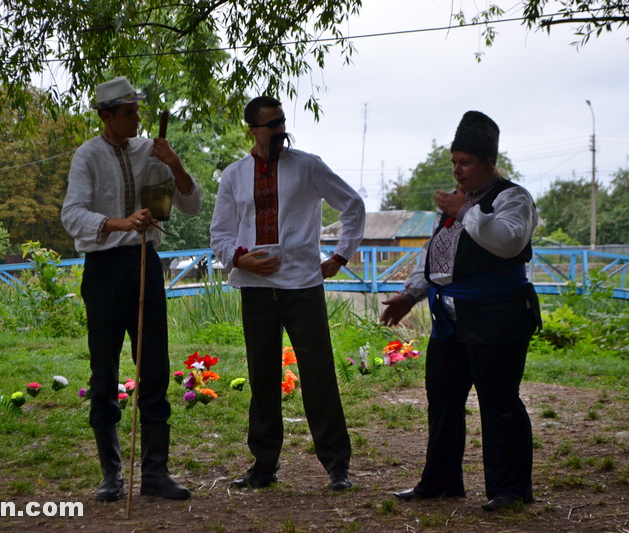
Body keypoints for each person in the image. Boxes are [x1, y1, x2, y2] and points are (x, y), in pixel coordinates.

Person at [381, 111, 541, 512]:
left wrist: (467, 211)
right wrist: (410, 295)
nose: (458, 170)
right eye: (454, 162)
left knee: (499, 402)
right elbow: (437, 256)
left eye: (465, 162)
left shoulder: (512, 197)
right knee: (444, 399)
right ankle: (440, 482)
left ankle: (511, 489)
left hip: (499, 316)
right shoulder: (454, 204)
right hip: (450, 320)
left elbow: (507, 241)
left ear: (488, 162)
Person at [210, 96, 366, 491]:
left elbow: (353, 204)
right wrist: (240, 260)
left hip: (302, 285)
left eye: (282, 121)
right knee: (262, 378)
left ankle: (336, 465)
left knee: (318, 375)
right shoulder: (233, 175)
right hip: (256, 291)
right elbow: (220, 233)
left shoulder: (307, 166)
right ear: (253, 130)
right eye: (271, 124)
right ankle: (263, 467)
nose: (280, 129)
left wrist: (340, 256)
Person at [61, 76, 201, 502]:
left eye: (138, 110)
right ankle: (111, 475)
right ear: (106, 117)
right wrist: (120, 223)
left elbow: (190, 205)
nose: (137, 118)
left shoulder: (151, 151)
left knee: (154, 366)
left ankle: (156, 474)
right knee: (104, 372)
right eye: (128, 112)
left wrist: (174, 162)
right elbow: (72, 214)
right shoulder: (87, 155)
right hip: (103, 270)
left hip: (144, 264)